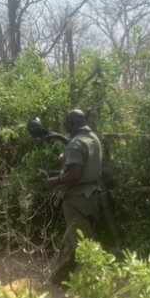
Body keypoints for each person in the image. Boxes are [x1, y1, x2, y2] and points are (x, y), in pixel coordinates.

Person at [45, 109, 102, 284]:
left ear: (71, 124)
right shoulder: (93, 138)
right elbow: (80, 150)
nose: (66, 128)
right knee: (85, 237)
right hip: (92, 197)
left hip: (76, 199)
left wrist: (55, 181)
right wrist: (62, 139)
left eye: (67, 125)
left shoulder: (76, 144)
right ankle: (85, 277)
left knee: (77, 243)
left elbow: (74, 174)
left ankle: (65, 280)